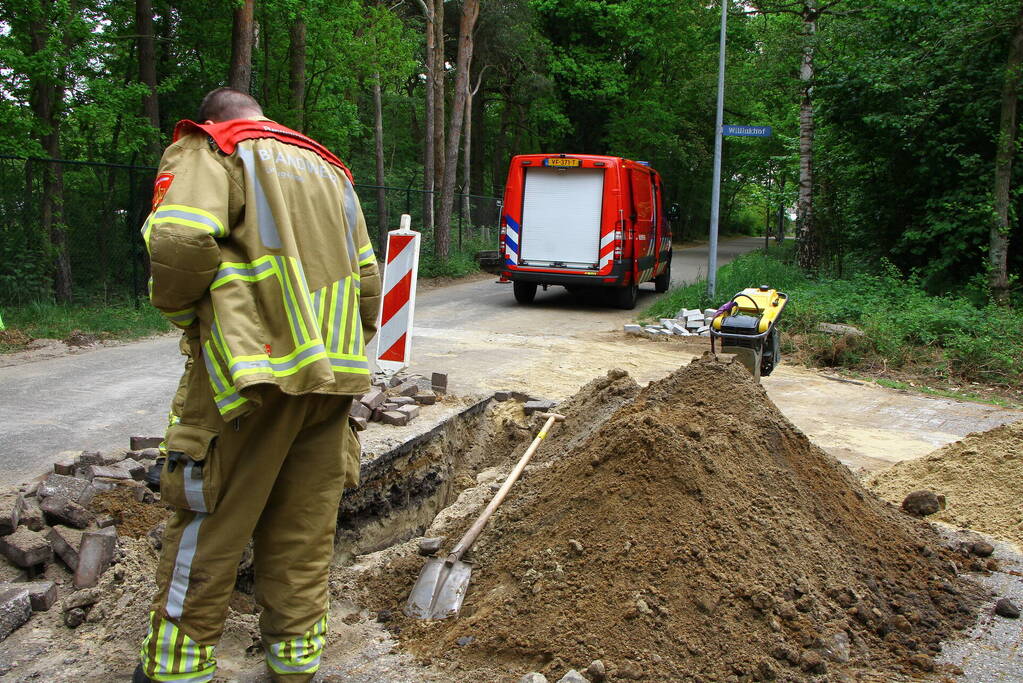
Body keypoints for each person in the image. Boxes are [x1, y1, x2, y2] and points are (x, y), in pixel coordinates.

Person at [134, 87, 380, 683]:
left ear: (214, 118)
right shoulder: (331, 170)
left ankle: (175, 666)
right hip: (331, 378)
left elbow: (180, 238)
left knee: (210, 519)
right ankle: (295, 661)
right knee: (304, 527)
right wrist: (343, 344)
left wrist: (186, 314)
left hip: (248, 373)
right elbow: (369, 281)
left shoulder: (214, 148)